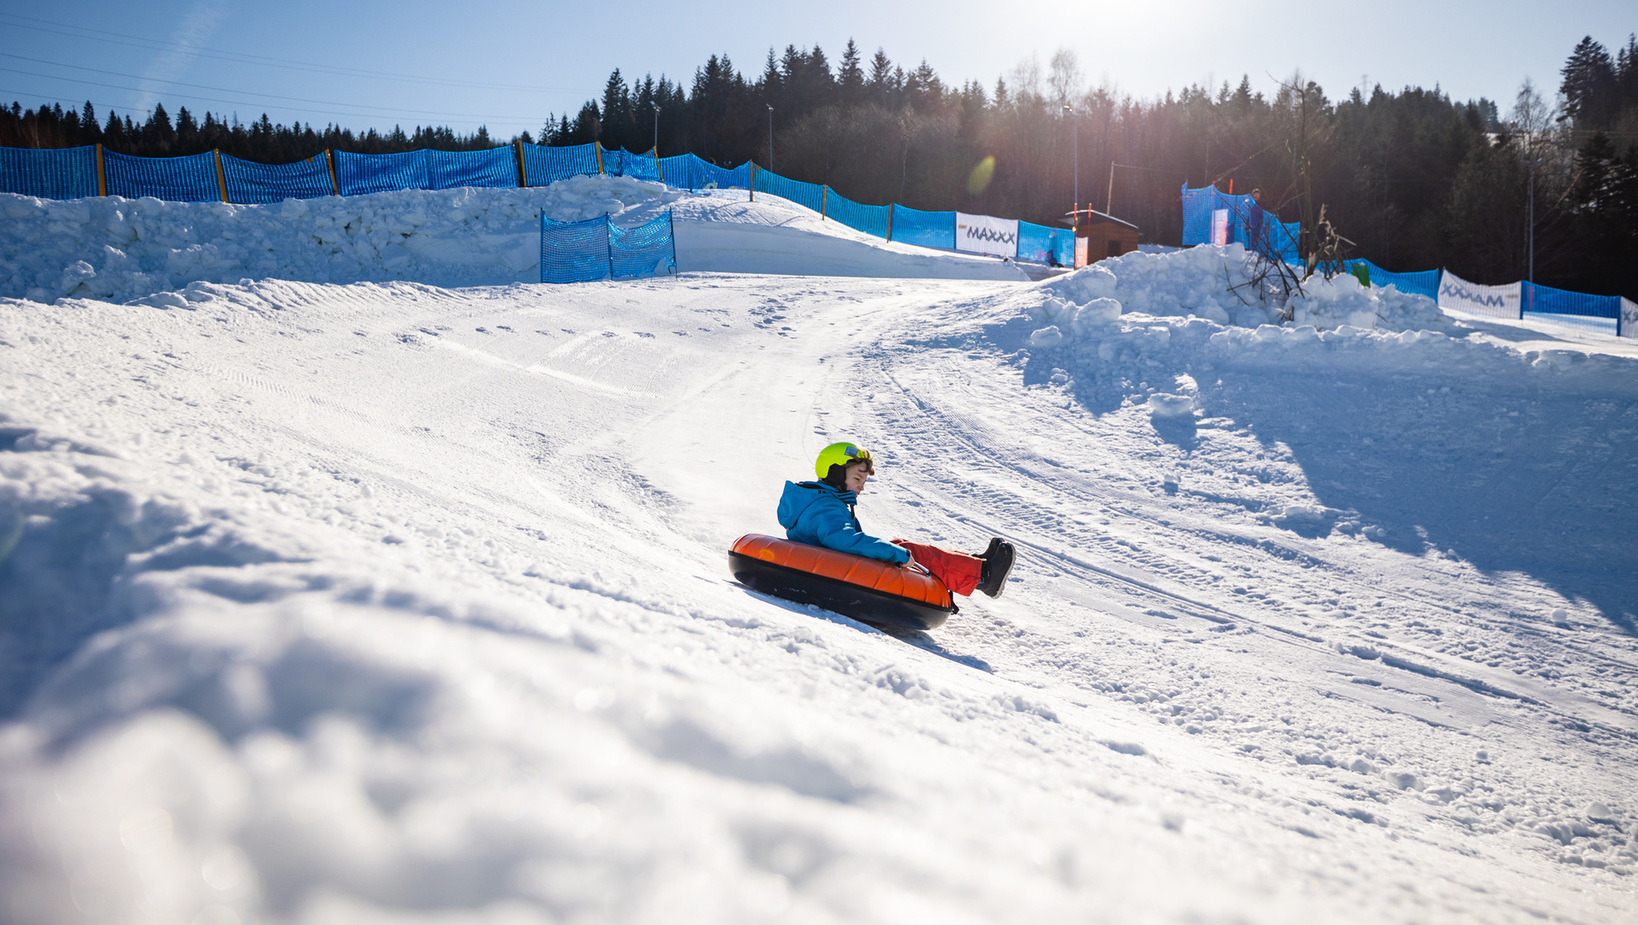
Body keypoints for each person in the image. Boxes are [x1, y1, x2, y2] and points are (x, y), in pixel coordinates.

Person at [776, 442, 1015, 599]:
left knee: (899, 544)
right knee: (906, 551)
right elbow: (844, 541)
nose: (861, 486)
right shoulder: (826, 506)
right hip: (835, 573)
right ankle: (984, 577)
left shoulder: (819, 499)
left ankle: (973, 563)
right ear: (836, 473)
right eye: (857, 478)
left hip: (834, 563)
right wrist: (897, 554)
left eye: (864, 481)